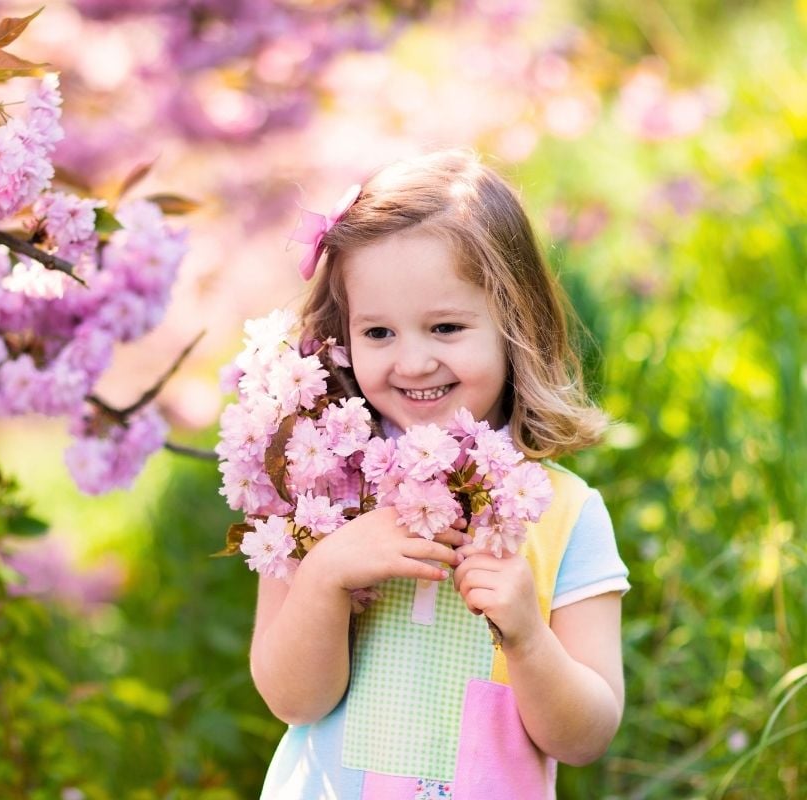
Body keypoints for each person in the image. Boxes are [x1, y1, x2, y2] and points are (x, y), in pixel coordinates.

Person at [251, 149, 629, 799]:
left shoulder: (564, 514)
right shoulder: (320, 493)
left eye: (446, 327)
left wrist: (528, 639)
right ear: (344, 336)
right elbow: (293, 700)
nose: (414, 361)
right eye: (379, 333)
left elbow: (586, 736)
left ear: (515, 326)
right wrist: (325, 574)